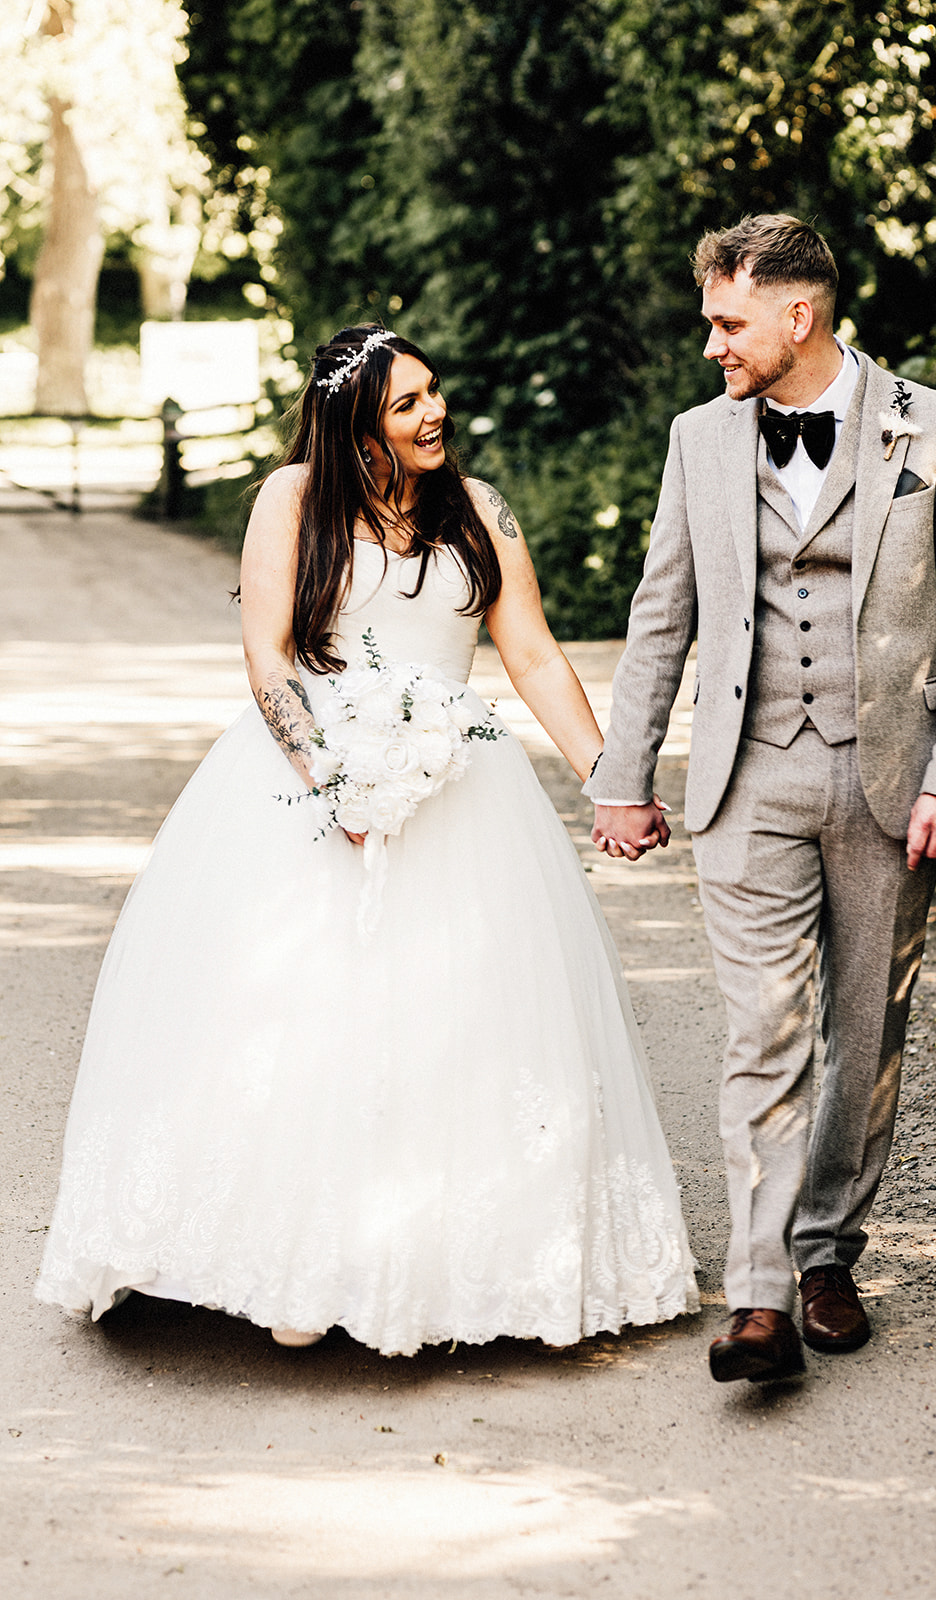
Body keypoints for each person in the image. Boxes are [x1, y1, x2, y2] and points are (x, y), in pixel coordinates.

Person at [37, 323, 698, 1354]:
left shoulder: (478, 511)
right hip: (308, 790)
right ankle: (290, 1261)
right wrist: (331, 781)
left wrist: (610, 782)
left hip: (463, 789)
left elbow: (526, 652)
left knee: (466, 1018)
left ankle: (452, 1261)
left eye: (435, 391)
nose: (434, 413)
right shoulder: (292, 500)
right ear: (356, 422)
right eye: (406, 404)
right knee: (298, 1018)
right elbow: (267, 660)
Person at [585, 215, 936, 1384]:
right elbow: (659, 612)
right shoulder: (696, 440)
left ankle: (827, 1248)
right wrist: (621, 778)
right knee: (761, 1032)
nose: (710, 344)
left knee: (864, 1033)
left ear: (797, 314)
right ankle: (762, 1294)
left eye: (727, 321)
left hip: (891, 785)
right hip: (746, 774)